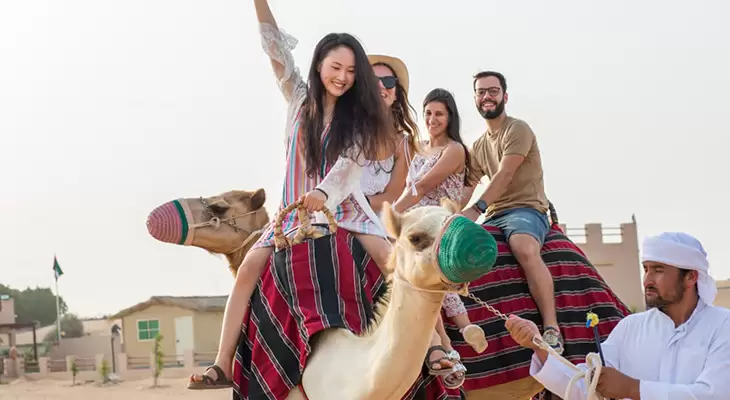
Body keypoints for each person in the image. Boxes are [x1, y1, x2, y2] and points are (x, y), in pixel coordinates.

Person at [187, 0, 396, 389]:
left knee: (390, 258)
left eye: (351, 71)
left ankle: (438, 346)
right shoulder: (298, 97)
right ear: (319, 66)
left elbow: (347, 167)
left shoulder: (361, 121)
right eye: (336, 68)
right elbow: (273, 47)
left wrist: (322, 192)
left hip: (344, 209)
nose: (343, 77)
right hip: (292, 213)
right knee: (248, 268)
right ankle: (222, 363)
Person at [506, 232, 730, 400]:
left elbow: (715, 394)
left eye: (658, 270)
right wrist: (538, 346)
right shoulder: (630, 327)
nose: (647, 280)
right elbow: (585, 387)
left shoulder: (722, 325)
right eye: (646, 269)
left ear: (690, 277)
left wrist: (633, 388)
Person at [460, 71, 563, 354]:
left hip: (527, 209)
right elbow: (467, 188)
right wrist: (450, 219)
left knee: (522, 246)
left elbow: (505, 174)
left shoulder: (518, 129)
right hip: (494, 214)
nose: (486, 97)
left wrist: (474, 210)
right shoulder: (479, 145)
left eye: (493, 91)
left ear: (504, 96)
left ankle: (552, 326)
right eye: (481, 92)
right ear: (475, 99)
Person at [393, 88, 484, 389]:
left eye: (439, 114)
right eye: (428, 113)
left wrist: (390, 214)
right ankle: (448, 344)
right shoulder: (418, 148)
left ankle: (456, 335)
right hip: (414, 224)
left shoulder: (454, 150)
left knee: (417, 264)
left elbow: (421, 187)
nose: (432, 119)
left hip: (436, 222)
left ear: (450, 118)